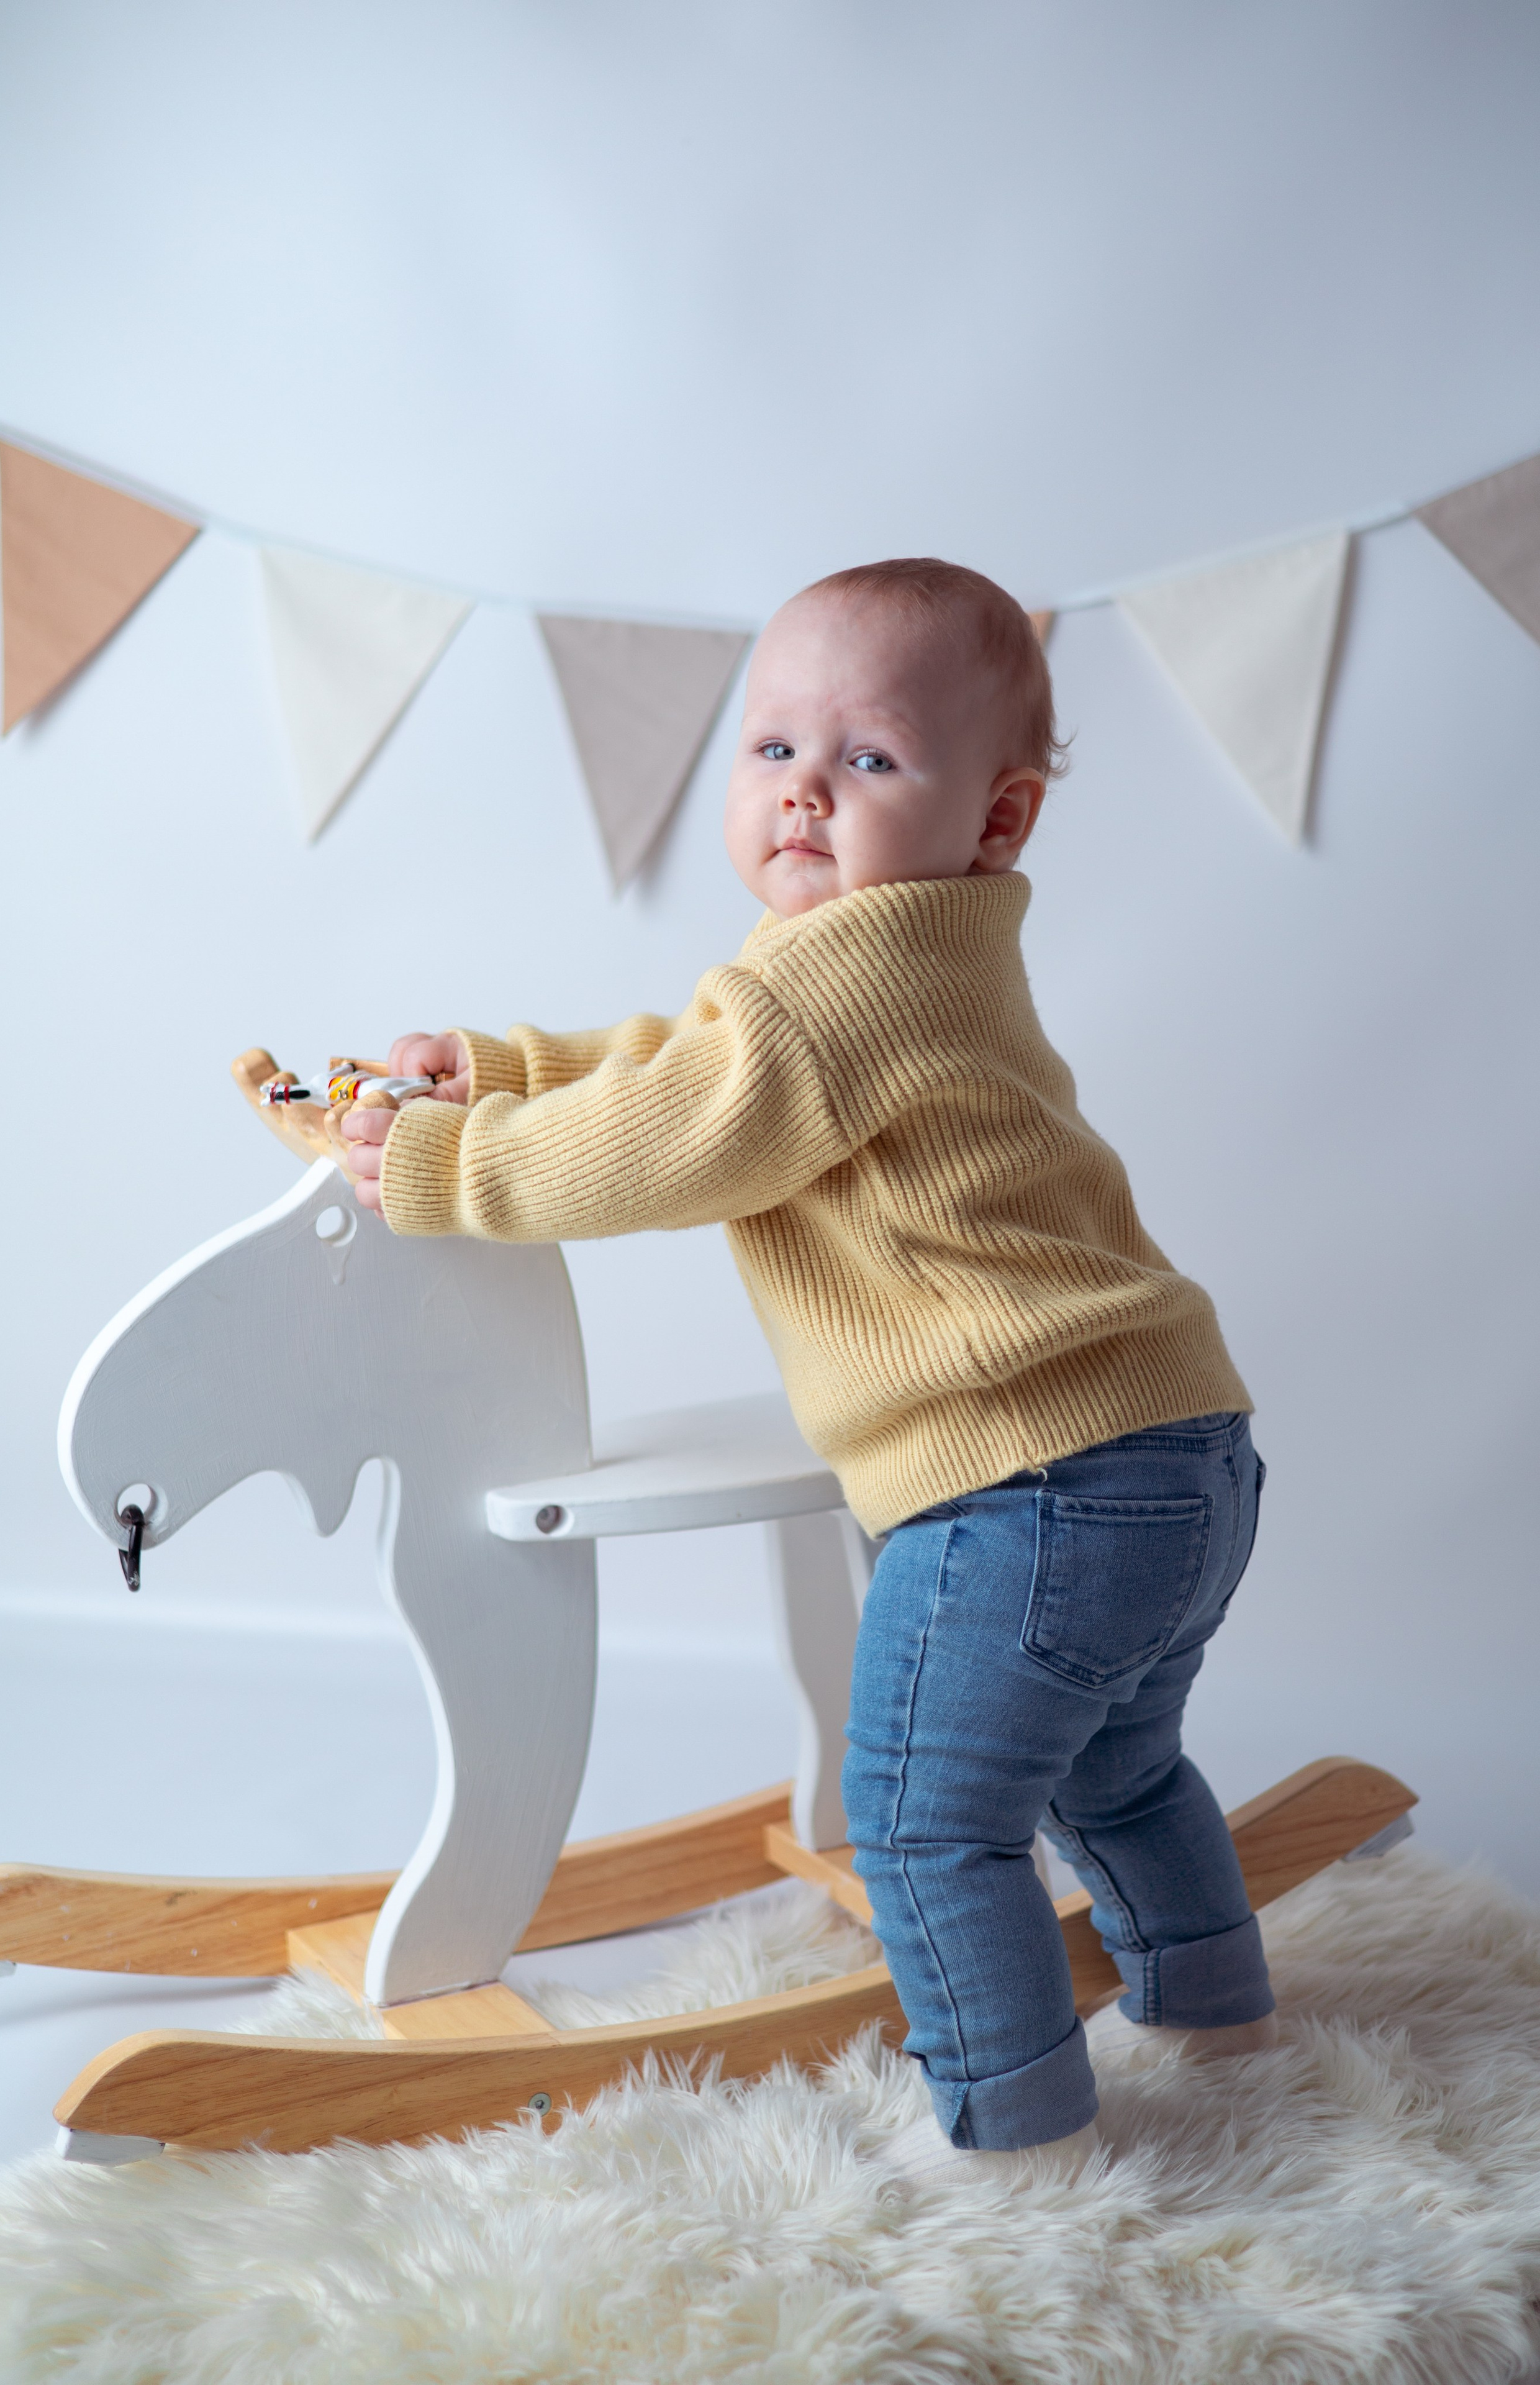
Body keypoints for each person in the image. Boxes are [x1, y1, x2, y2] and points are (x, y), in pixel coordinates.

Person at [341, 556, 1275, 2187]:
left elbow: (675, 1136)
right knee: (1118, 1768)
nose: (805, 793)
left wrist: (446, 1166)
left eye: (869, 760)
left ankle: (1019, 2141)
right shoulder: (909, 959)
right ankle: (1213, 2008)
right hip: (1178, 1452)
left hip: (1026, 1484)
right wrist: (502, 1070)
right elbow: (695, 1059)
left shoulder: (841, 982)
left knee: (927, 1820)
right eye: (773, 750)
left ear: (998, 819)